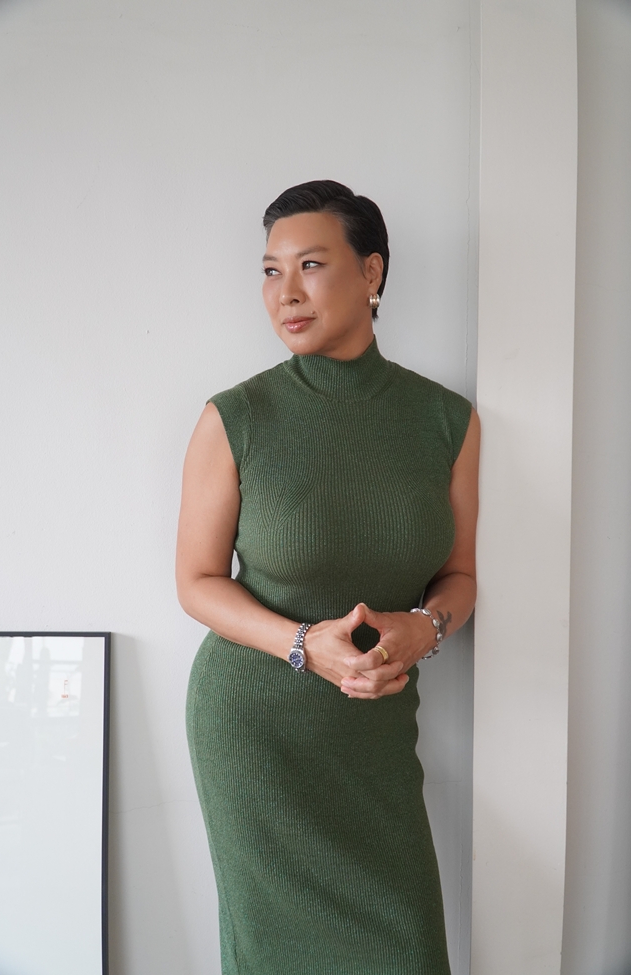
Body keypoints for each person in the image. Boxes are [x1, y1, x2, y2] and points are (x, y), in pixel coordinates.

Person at [176, 180, 480, 975]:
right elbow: (197, 581)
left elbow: (459, 574)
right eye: (270, 271)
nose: (286, 292)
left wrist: (426, 627)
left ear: (371, 272)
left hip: (374, 734)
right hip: (257, 732)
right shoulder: (236, 417)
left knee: (406, 949)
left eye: (310, 264)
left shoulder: (445, 420)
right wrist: (304, 641)